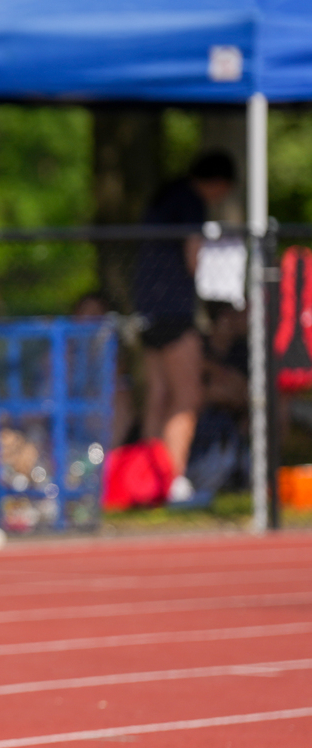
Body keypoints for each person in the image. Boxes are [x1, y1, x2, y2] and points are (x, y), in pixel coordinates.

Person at [132, 150, 236, 503]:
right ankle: (171, 477)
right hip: (173, 309)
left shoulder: (167, 195)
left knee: (158, 395)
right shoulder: (191, 201)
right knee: (187, 395)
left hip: (146, 307)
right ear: (219, 183)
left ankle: (145, 477)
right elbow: (194, 258)